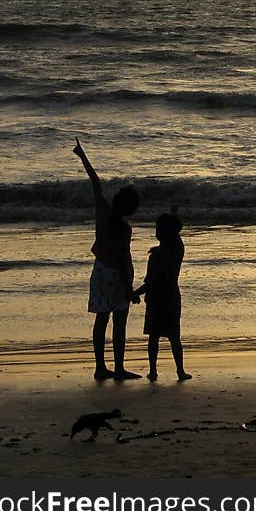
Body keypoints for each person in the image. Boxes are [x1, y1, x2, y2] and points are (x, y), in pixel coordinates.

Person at [73, 137, 141, 381]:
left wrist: (82, 156)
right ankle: (119, 368)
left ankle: (100, 367)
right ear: (131, 210)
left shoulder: (102, 212)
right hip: (117, 277)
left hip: (100, 272)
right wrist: (130, 289)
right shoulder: (124, 229)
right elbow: (123, 261)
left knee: (102, 319)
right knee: (119, 323)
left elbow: (96, 183)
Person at [134, 209, 191, 381]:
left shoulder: (157, 256)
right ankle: (180, 370)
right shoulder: (178, 250)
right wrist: (174, 215)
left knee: (154, 336)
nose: (155, 231)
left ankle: (153, 370)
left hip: (157, 298)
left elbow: (151, 282)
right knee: (174, 337)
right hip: (172, 296)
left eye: (158, 228)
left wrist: (135, 293)